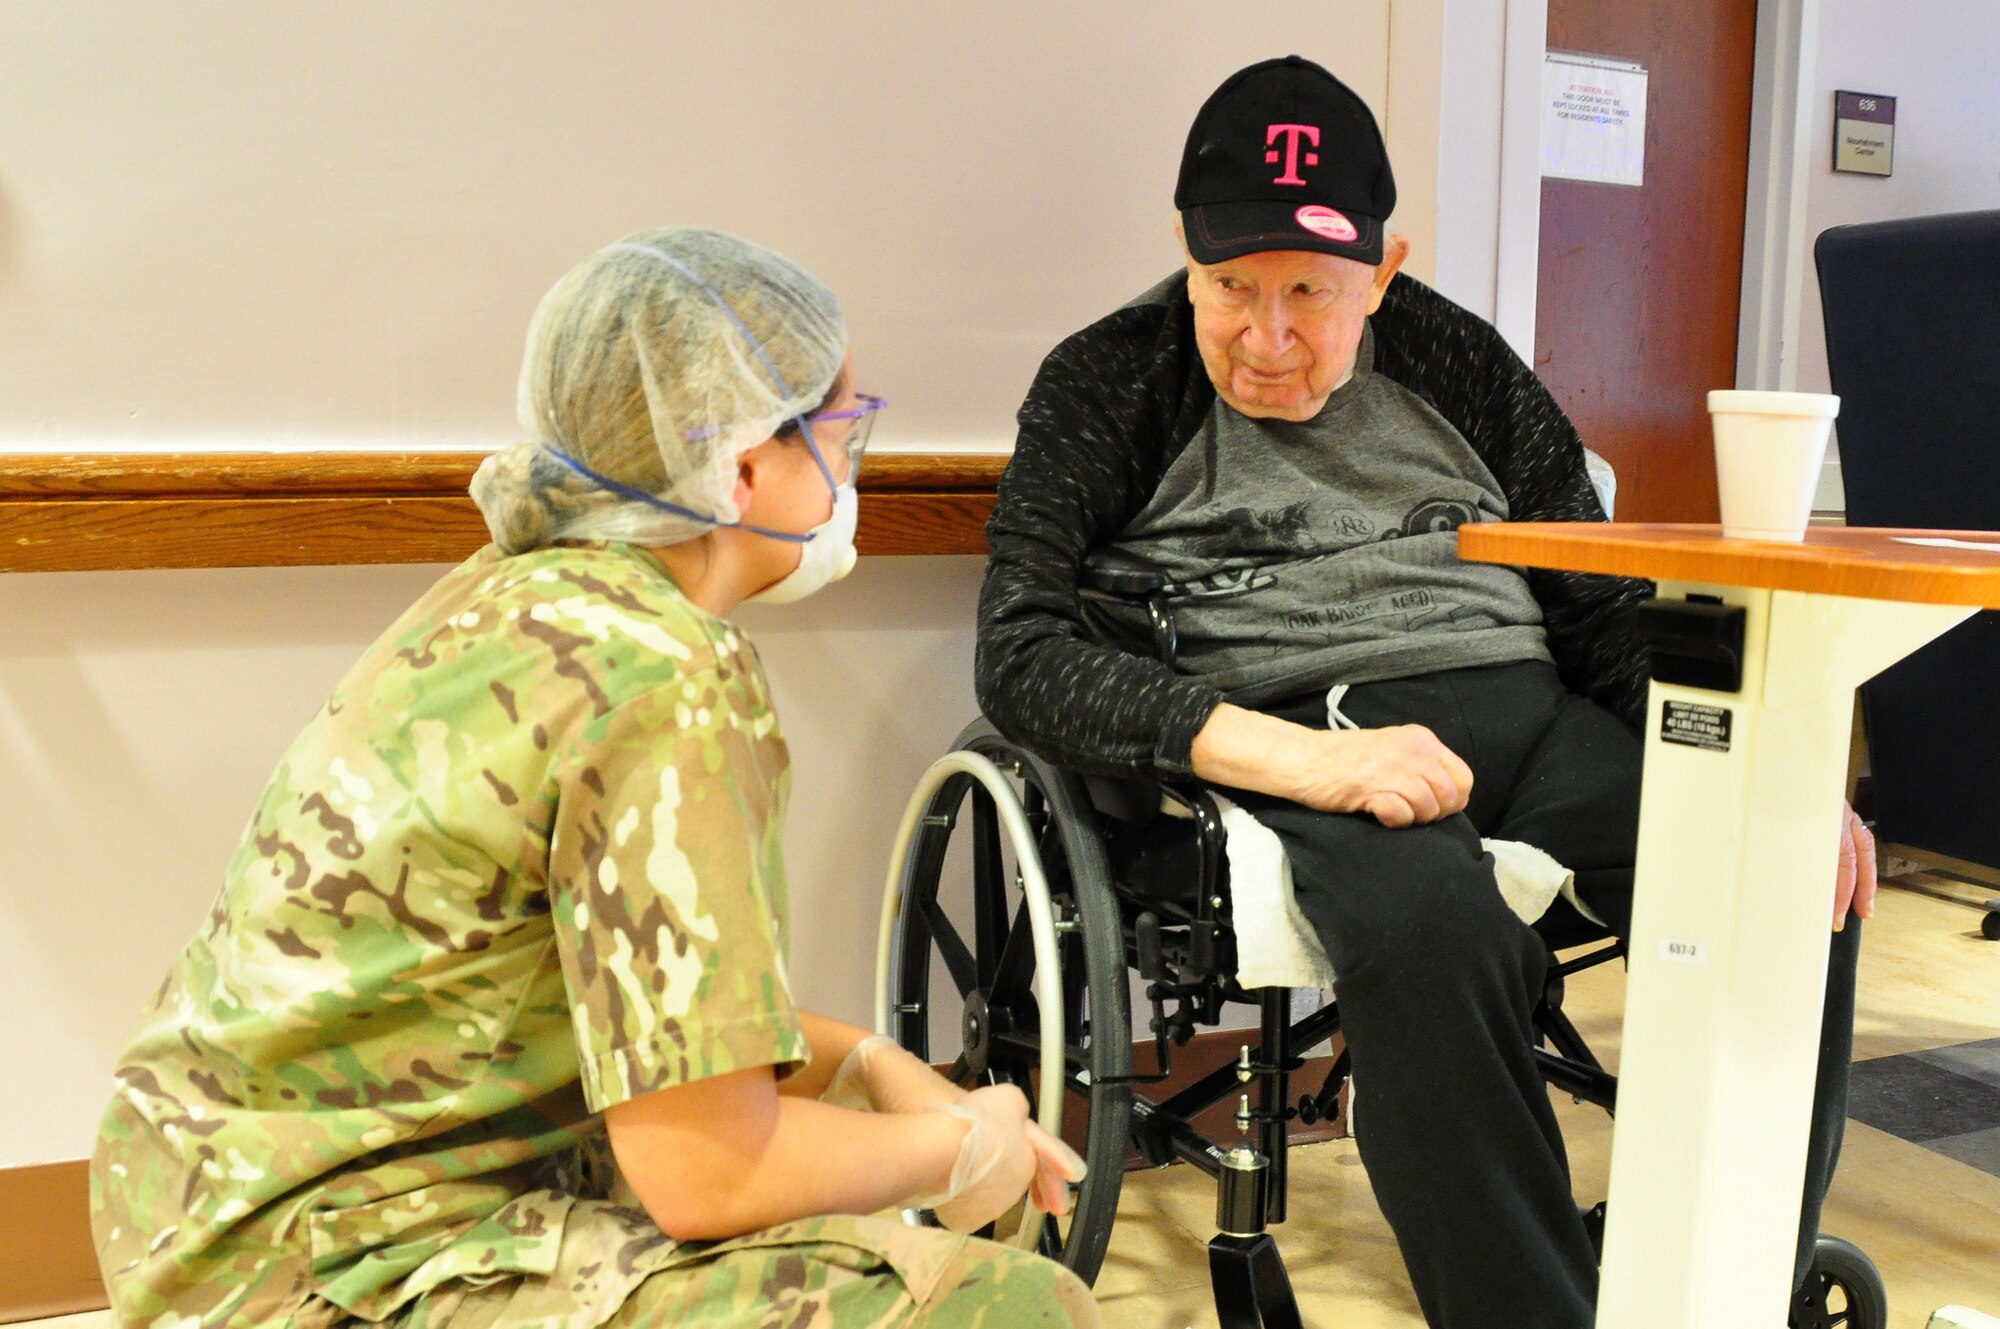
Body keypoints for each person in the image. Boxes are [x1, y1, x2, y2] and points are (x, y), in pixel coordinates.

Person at [975, 57, 1875, 1329]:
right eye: (1228, 288)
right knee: (1429, 931)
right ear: (1184, 255)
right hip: (1284, 730)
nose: (1267, 336)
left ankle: (1725, 1270)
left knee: (1785, 874)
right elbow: (1017, 654)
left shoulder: (1458, 363)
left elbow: (1602, 610)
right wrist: (1301, 765)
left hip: (1520, 707)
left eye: (1310, 294)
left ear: (1384, 271)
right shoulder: (1107, 381)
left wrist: (1761, 772)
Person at [91, 227, 1096, 1329]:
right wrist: (957, 1152)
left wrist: (862, 1062)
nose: (852, 458)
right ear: (743, 467)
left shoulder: (503, 599)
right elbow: (707, 1171)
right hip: (329, 1274)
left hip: (198, 1207)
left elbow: (629, 1023)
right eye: (842, 425)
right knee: (1004, 1307)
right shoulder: (664, 679)